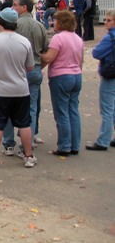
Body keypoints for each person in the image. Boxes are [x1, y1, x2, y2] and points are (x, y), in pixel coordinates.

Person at [0, 8, 37, 169]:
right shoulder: (24, 42)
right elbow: (30, 67)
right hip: (20, 88)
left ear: (0, 23)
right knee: (24, 123)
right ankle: (29, 155)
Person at [1, 0, 49, 156]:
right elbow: (45, 50)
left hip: (16, 69)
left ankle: (8, 143)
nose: (13, 7)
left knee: (8, 106)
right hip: (34, 68)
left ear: (24, 7)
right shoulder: (40, 26)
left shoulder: (15, 25)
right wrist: (39, 65)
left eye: (15, 5)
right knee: (32, 107)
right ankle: (28, 142)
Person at [40, 10, 84, 156]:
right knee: (73, 110)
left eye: (56, 21)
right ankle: (75, 144)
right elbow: (81, 60)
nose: (54, 23)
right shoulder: (78, 38)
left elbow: (49, 58)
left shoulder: (58, 38)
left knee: (61, 112)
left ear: (61, 22)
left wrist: (39, 53)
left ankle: (64, 145)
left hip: (61, 75)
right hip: (76, 74)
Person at [85, 8, 115, 151]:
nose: (106, 23)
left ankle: (103, 140)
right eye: (105, 20)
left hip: (110, 74)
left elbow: (96, 53)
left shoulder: (110, 38)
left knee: (107, 109)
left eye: (109, 20)